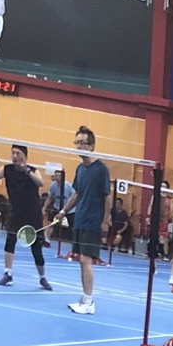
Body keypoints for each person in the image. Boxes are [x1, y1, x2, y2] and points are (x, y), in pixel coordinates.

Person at [59, 127, 110, 316]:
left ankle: (89, 302)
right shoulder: (80, 169)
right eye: (77, 143)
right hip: (79, 220)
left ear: (92, 146)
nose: (79, 146)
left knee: (86, 260)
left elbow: (107, 197)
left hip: (92, 221)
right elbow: (77, 194)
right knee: (81, 260)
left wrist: (105, 221)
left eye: (82, 143)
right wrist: (63, 211)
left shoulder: (101, 169)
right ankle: (85, 298)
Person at [0, 144, 51, 290]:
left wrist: (27, 171)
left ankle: (42, 278)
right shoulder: (7, 169)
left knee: (36, 249)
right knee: (10, 241)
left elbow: (40, 182)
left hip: (33, 215)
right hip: (16, 213)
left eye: (17, 153)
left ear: (24, 156)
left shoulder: (33, 171)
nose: (14, 156)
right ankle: (8, 274)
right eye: (12, 153)